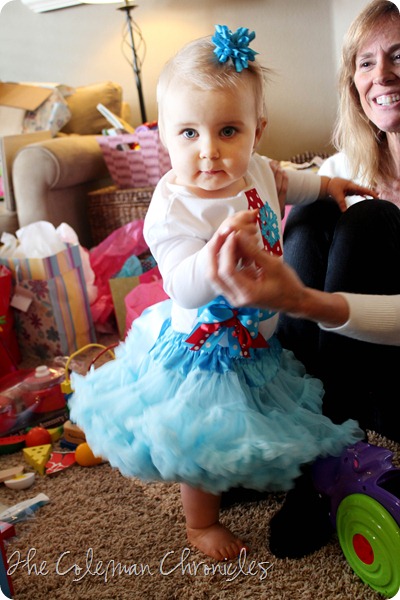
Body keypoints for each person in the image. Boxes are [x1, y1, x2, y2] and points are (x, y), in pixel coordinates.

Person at [69, 26, 372, 562]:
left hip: (256, 335)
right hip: (206, 350)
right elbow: (180, 286)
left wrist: (326, 186)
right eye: (188, 133)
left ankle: (250, 475)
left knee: (258, 414)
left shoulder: (256, 167)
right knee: (204, 440)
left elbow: (285, 181)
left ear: (258, 130)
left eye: (228, 130)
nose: (209, 152)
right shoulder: (173, 208)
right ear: (165, 137)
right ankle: (200, 522)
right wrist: (210, 261)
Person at [276, 0, 400, 443]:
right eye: (366, 62)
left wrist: (318, 306)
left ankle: (329, 430)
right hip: (355, 375)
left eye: (399, 55)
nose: (381, 75)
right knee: (316, 203)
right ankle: (290, 405)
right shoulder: (345, 167)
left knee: (370, 218)